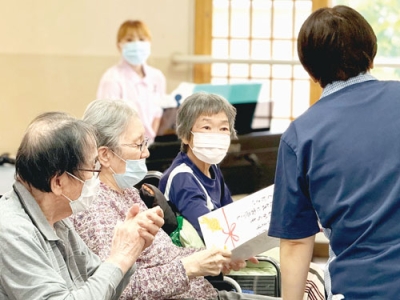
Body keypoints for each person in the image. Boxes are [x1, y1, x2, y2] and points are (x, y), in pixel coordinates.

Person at [71, 99, 279, 300]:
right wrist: (191, 267)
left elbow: (165, 256)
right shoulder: (95, 208)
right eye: (138, 144)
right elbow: (118, 287)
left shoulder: (127, 192)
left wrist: (215, 257)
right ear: (105, 155)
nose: (146, 152)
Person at [268, 5, 400, 300]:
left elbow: (295, 243)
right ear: (371, 52)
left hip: (360, 288)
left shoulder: (300, 136)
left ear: (310, 69)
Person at [0, 112, 164, 299]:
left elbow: (102, 288)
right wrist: (120, 257)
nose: (97, 176)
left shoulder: (56, 219)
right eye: (93, 167)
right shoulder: (12, 231)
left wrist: (132, 245)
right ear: (58, 183)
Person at [158, 92, 235, 240]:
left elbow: (230, 213)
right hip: (199, 254)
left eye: (223, 129)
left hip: (222, 244)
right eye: (206, 127)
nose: (216, 135)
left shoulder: (212, 168)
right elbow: (208, 230)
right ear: (186, 136)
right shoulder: (182, 178)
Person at [96, 20, 165, 144]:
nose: (136, 44)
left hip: (148, 146)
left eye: (141, 39)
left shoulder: (156, 76)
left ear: (149, 43)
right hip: (121, 146)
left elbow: (157, 111)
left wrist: (148, 140)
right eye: (129, 39)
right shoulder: (112, 78)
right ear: (119, 45)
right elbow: (107, 121)